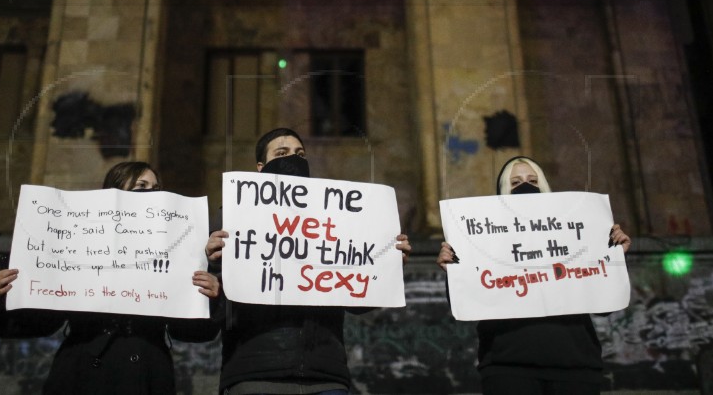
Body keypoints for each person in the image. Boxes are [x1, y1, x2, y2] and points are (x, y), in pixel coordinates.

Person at [0, 161, 220, 395]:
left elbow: (192, 332)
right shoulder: (77, 238)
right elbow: (40, 321)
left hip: (146, 371)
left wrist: (208, 296)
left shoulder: (177, 247)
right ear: (113, 193)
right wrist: (1, 295)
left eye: (156, 188)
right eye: (141, 186)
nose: (151, 193)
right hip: (82, 371)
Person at [206, 127, 412, 395]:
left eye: (299, 154)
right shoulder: (233, 219)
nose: (292, 158)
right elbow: (215, 314)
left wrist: (388, 266)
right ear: (260, 167)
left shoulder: (335, 219)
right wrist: (214, 264)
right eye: (281, 153)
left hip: (325, 375)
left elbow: (357, 303)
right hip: (256, 373)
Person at [437, 156, 631, 395]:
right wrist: (453, 271)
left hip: (575, 365)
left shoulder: (572, 232)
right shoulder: (485, 241)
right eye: (516, 182)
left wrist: (613, 257)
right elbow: (467, 304)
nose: (526, 186)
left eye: (533, 180)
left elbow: (604, 306)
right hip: (508, 368)